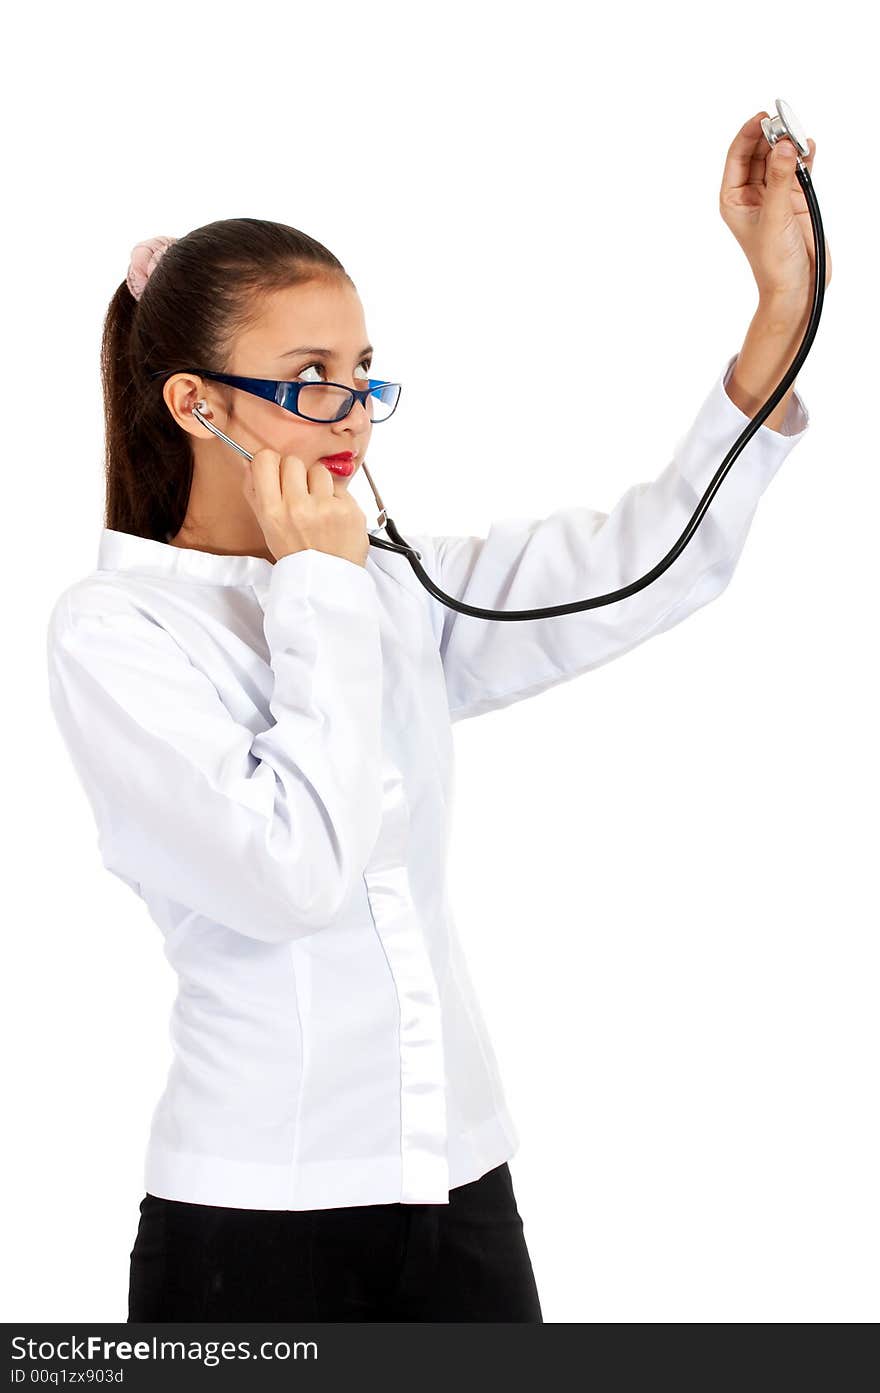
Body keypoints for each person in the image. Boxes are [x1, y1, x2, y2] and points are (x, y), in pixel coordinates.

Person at [45, 117, 825, 1323]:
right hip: (253, 1225)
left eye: (362, 374)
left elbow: (644, 564)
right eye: (309, 379)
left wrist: (777, 311)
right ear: (195, 402)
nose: (349, 412)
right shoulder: (118, 633)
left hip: (460, 1190)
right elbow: (290, 874)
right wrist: (317, 585)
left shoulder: (387, 588)